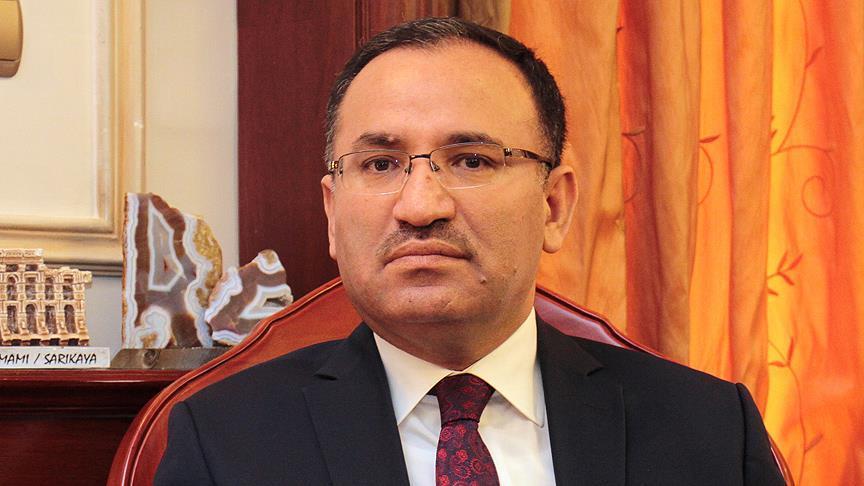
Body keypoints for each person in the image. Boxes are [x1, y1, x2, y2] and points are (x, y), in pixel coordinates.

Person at [156, 17, 784, 485]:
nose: (419, 205)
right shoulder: (222, 442)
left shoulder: (710, 431)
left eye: (472, 160)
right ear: (332, 213)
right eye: (380, 164)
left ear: (554, 206)